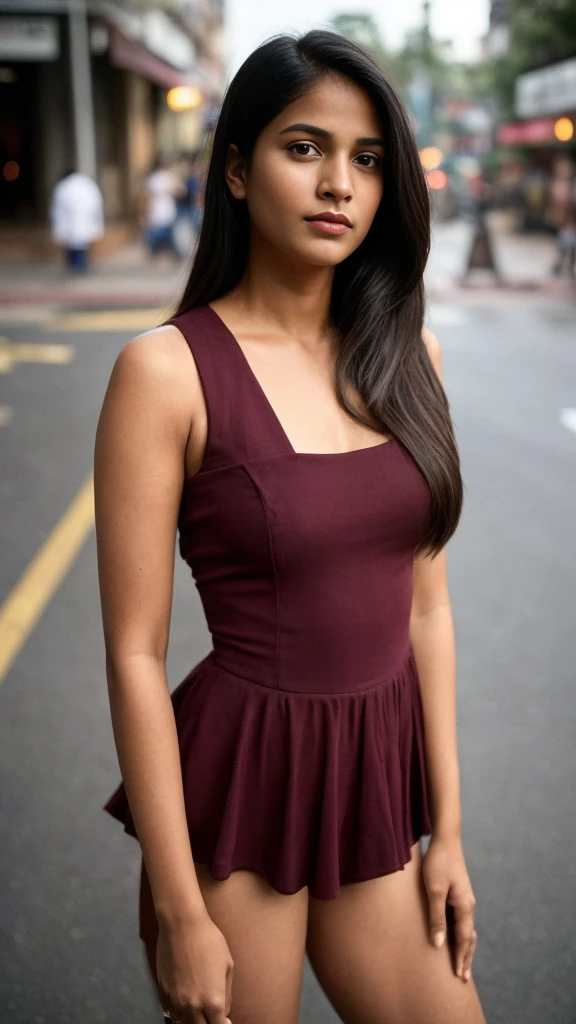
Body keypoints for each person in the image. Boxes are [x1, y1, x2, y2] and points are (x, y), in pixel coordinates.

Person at [96, 30, 487, 1024]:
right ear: (235, 167)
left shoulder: (410, 356)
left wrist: (446, 829)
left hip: (373, 789)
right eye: (304, 147)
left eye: (366, 159)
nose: (339, 185)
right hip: (240, 794)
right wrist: (181, 907)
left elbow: (427, 614)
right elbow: (137, 654)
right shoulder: (167, 371)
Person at [49, 167, 104, 274]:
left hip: (71, 221)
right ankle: (80, 266)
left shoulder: (63, 186)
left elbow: (57, 207)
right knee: (80, 243)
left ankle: (76, 267)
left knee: (75, 245)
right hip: (83, 220)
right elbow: (96, 202)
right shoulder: (87, 184)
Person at [139, 156, 183, 263]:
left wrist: (144, 214)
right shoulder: (168, 177)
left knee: (162, 236)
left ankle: (160, 256)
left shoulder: (153, 179)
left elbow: (146, 198)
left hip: (159, 212)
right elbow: (181, 192)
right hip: (165, 212)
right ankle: (171, 256)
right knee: (167, 236)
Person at [551, 202, 576, 278]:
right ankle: (558, 269)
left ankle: (567, 270)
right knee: (563, 255)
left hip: (569, 236)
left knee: (570, 255)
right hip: (566, 235)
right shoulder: (568, 210)